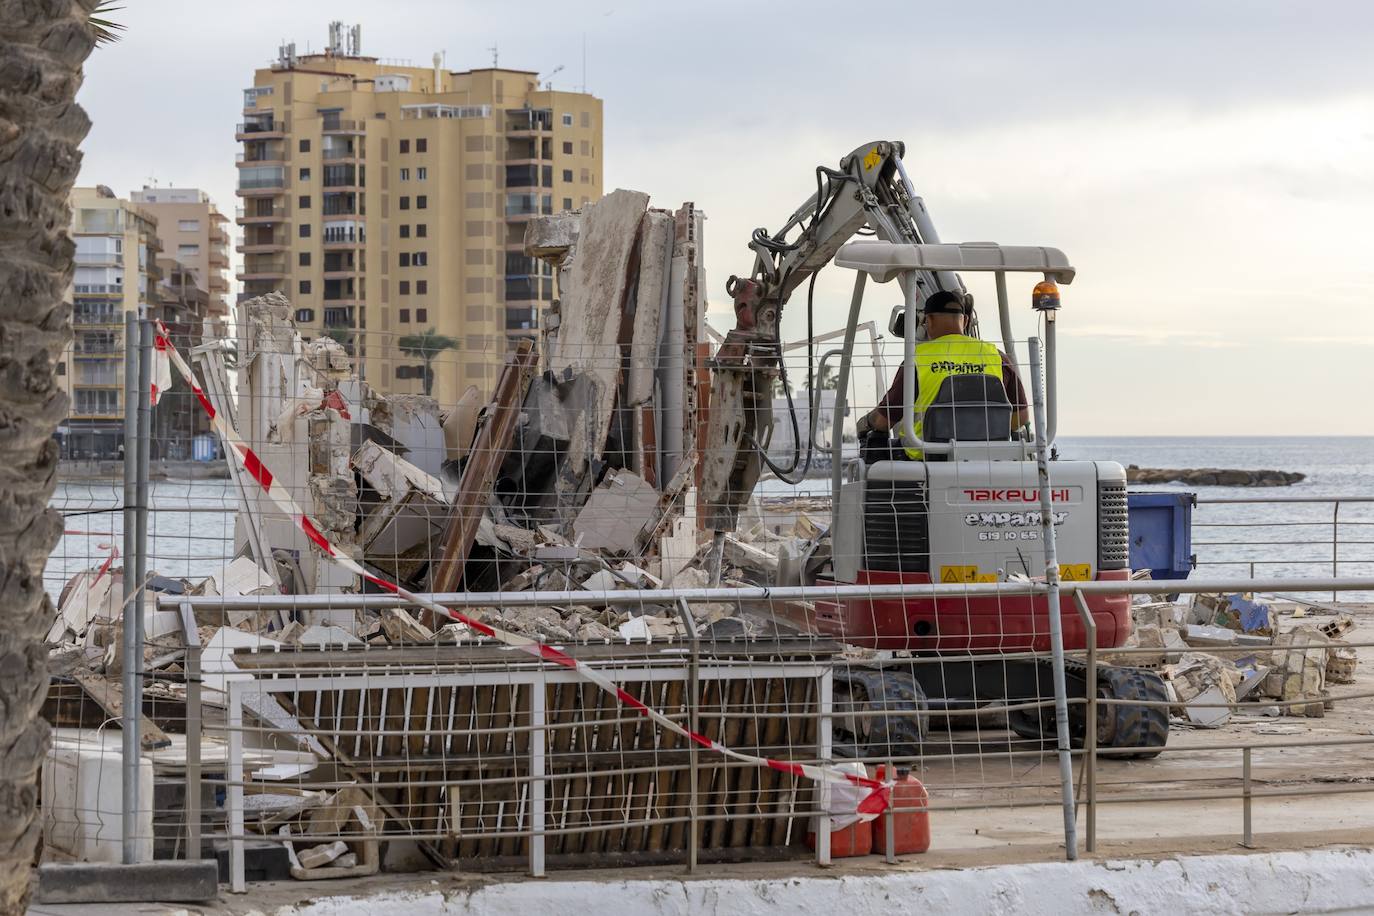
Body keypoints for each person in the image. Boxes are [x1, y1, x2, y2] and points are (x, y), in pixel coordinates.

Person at [856, 289, 1028, 458]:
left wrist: (866, 422)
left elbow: (884, 421)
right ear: (966, 320)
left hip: (928, 456)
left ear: (928, 320)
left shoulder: (918, 359)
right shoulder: (996, 356)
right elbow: (1020, 417)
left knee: (876, 447)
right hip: (988, 456)